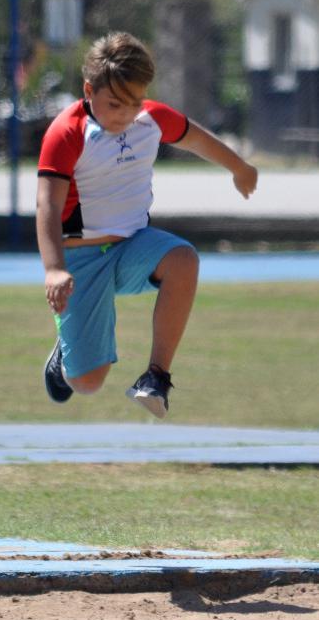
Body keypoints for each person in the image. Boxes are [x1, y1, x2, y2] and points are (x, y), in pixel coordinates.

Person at [36, 31, 257, 419]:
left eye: (135, 103)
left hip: (132, 246)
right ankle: (63, 357)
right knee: (87, 382)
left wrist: (239, 167)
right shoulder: (67, 132)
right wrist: (54, 269)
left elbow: (197, 140)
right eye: (114, 104)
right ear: (89, 91)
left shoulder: (150, 119)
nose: (125, 114)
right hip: (81, 259)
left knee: (184, 260)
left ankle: (156, 378)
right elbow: (48, 206)